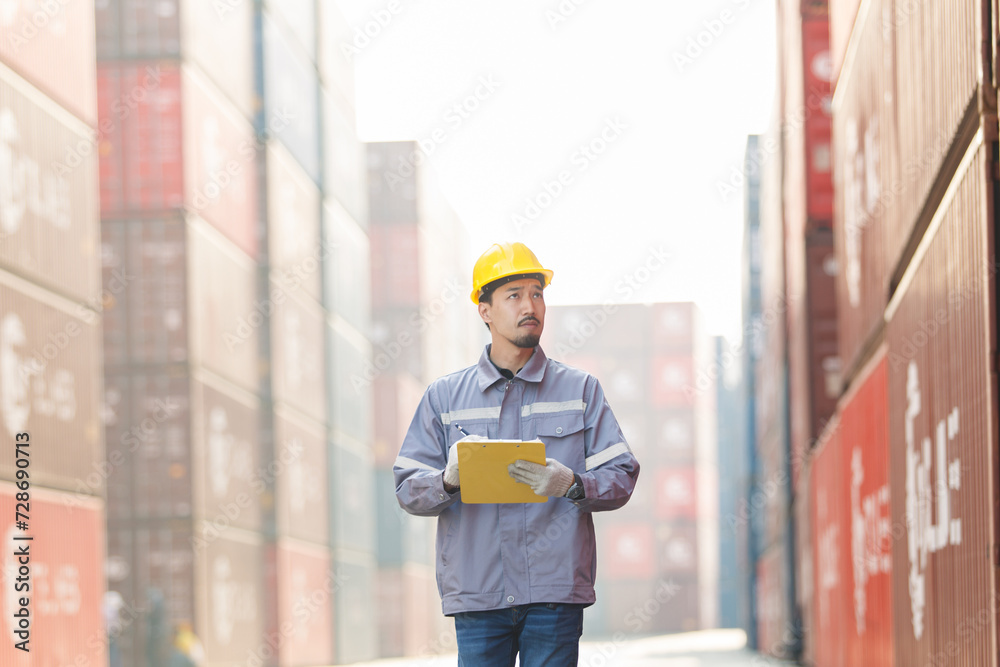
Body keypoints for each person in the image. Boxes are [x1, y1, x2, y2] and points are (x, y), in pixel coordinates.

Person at [394, 241, 640, 666]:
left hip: (553, 596)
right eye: (515, 295)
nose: (531, 305)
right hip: (479, 595)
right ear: (484, 310)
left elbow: (622, 473)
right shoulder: (445, 398)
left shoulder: (580, 391)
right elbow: (406, 487)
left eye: (537, 293)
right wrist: (448, 480)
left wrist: (574, 484)